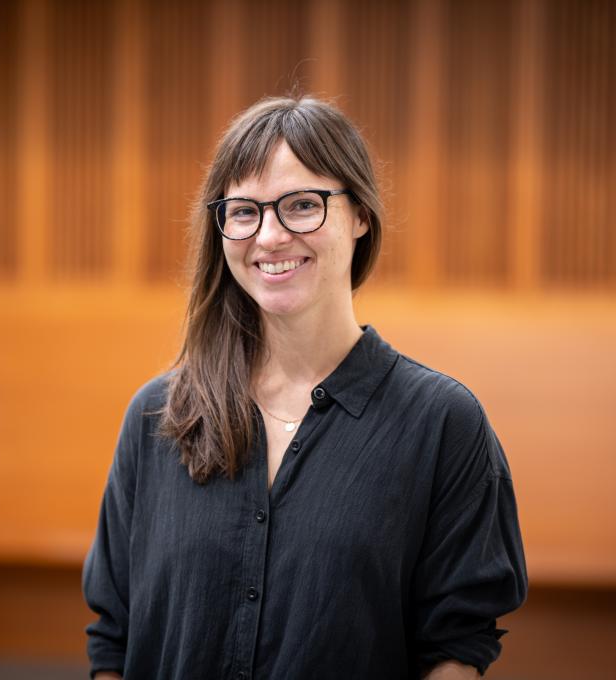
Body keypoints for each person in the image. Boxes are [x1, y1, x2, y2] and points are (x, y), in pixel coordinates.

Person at [82, 95, 527, 680]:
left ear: (361, 214)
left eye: (300, 205)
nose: (269, 237)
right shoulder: (157, 416)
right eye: (244, 211)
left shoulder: (443, 423)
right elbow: (114, 635)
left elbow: (457, 643)